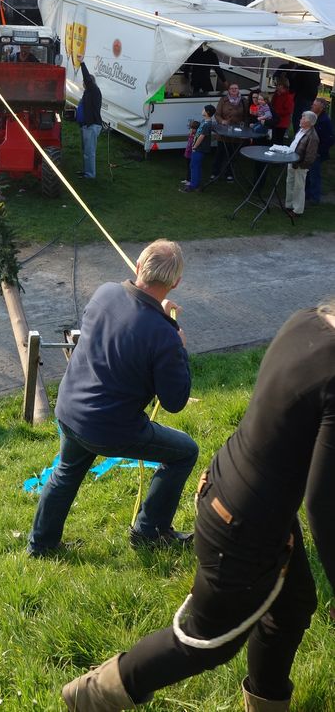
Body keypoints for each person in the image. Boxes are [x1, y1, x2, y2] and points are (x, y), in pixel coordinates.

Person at [62, 302, 335, 712]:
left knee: (292, 607)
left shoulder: (309, 320)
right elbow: (323, 503)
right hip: (244, 522)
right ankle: (92, 694)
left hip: (237, 486)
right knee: (203, 642)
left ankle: (267, 702)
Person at [28, 239, 197, 557]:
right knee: (185, 452)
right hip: (108, 427)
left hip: (71, 407)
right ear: (175, 283)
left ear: (137, 267)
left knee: (66, 471)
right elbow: (175, 401)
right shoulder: (165, 336)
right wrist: (180, 346)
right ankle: (150, 532)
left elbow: (130, 328)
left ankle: (41, 545)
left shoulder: (106, 292)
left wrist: (164, 325)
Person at [284, 110, 319, 216]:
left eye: (303, 118)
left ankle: (297, 210)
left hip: (300, 165)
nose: (300, 119)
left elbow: (310, 156)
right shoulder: (301, 130)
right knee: (289, 183)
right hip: (292, 161)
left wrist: (301, 166)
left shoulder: (313, 137)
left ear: (309, 122)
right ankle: (289, 205)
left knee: (298, 187)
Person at [211, 84, 250, 179]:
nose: (234, 90)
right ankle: (215, 172)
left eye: (236, 88)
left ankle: (230, 173)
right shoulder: (223, 100)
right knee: (220, 152)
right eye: (232, 88)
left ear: (238, 90)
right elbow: (217, 114)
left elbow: (247, 116)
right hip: (224, 131)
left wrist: (244, 125)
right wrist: (222, 121)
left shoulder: (244, 101)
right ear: (228, 90)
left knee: (233, 154)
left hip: (237, 131)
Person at [305, 97, 334, 204]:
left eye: (315, 105)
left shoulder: (325, 121)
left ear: (321, 108)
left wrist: (319, 152)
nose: (312, 106)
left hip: (317, 153)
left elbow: (330, 140)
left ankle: (314, 197)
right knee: (307, 173)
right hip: (309, 150)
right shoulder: (313, 117)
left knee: (314, 175)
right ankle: (307, 194)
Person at [181, 105, 215, 192]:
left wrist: (195, 146)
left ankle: (193, 185)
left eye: (204, 109)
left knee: (194, 165)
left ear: (207, 112)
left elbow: (201, 137)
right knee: (196, 165)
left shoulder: (207, 124)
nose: (202, 110)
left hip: (200, 148)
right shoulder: (204, 121)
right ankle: (196, 182)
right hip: (198, 148)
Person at [78, 61, 103, 179]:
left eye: (85, 82)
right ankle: (86, 172)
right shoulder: (87, 92)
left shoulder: (94, 90)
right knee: (85, 151)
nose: (83, 83)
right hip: (85, 126)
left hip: (92, 126)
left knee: (89, 152)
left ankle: (90, 175)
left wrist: (82, 63)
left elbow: (87, 78)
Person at [270, 78, 294, 144]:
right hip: (275, 121)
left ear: (282, 86)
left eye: (277, 85)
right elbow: (272, 104)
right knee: (273, 139)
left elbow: (289, 110)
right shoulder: (277, 94)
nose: (276, 86)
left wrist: (276, 112)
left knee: (278, 140)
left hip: (282, 123)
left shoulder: (288, 97)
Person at [182, 120, 199, 186]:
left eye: (192, 128)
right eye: (190, 128)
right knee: (188, 167)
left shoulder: (196, 136)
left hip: (191, 154)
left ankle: (190, 180)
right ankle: (187, 179)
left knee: (191, 168)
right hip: (187, 154)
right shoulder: (191, 135)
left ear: (196, 129)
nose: (191, 130)